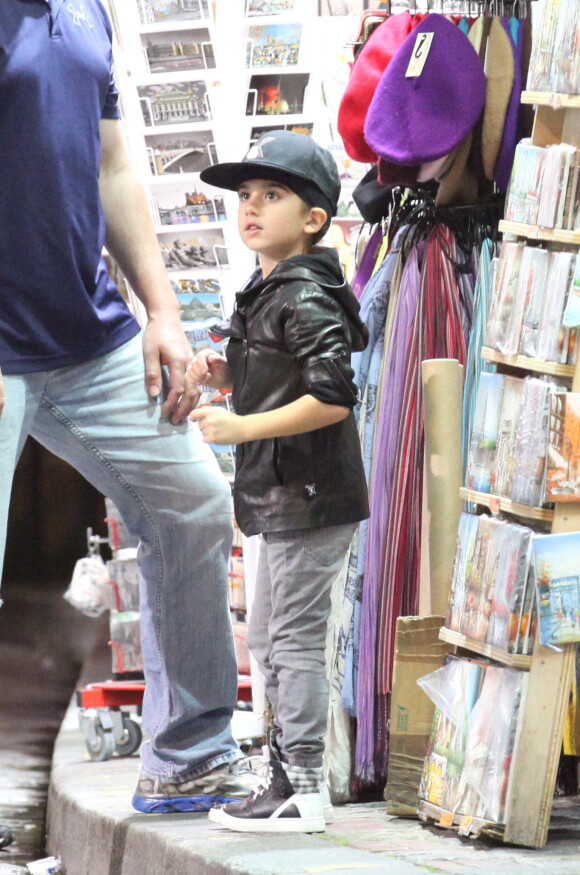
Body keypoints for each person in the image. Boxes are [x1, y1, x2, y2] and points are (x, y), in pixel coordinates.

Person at [0, 0, 258, 813]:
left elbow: (112, 162)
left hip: (89, 334)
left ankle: (189, 754)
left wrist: (165, 313)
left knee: (192, 503)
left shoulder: (86, 9)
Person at [187, 130, 370, 832]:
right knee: (267, 633)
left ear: (315, 218)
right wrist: (227, 375)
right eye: (245, 196)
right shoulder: (269, 289)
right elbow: (280, 374)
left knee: (288, 638)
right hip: (288, 492)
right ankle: (287, 773)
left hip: (310, 493)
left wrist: (239, 427)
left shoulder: (304, 293)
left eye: (272, 195)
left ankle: (300, 785)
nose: (251, 207)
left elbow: (332, 394)